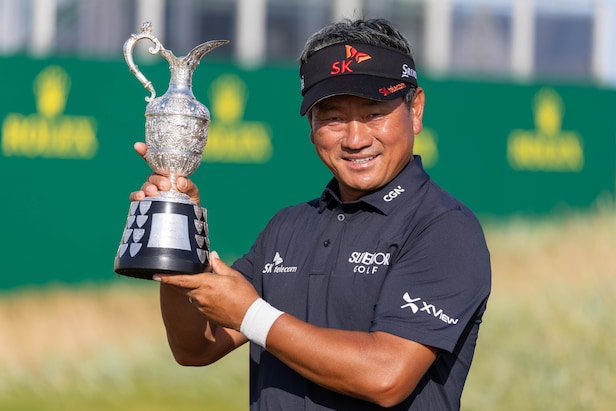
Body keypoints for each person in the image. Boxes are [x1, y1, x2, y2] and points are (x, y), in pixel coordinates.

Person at [130, 18, 491, 410]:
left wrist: (252, 315)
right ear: (311, 125)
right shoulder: (287, 227)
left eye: (374, 113)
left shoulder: (444, 228)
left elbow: (386, 375)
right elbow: (195, 346)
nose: (355, 139)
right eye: (333, 117)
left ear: (415, 109)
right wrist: (177, 229)